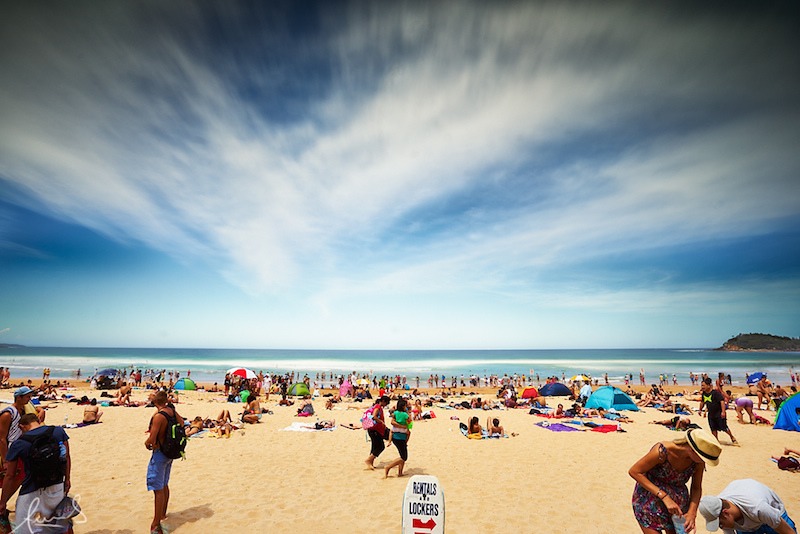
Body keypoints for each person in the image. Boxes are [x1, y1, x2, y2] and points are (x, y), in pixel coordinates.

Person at [629, 428, 722, 533]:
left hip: (677, 508)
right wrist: (664, 496)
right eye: (702, 458)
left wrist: (692, 513)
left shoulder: (698, 462)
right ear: (692, 450)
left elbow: (696, 487)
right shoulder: (662, 452)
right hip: (649, 500)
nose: (703, 461)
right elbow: (635, 471)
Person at [0, 413, 71, 534]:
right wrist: (67, 479)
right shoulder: (58, 431)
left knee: (24, 527)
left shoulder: (19, 443)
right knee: (59, 525)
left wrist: (3, 502)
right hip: (56, 484)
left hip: (31, 489)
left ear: (21, 426)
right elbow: (66, 457)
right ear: (38, 420)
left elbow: (10, 475)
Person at [145, 390, 183, 534]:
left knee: (158, 489)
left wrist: (146, 443)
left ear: (155, 402)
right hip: (170, 453)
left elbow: (152, 438)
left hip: (160, 453)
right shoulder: (171, 411)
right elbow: (181, 423)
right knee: (164, 484)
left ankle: (155, 523)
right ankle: (162, 514)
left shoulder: (159, 416)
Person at [698, 479, 796, 534]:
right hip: (748, 524)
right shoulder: (719, 511)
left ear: (726, 513)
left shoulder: (758, 508)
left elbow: (788, 532)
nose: (721, 527)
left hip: (773, 514)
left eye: (720, 524)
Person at [699, 378, 738, 446]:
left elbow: (722, 402)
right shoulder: (704, 394)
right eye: (701, 385)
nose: (702, 387)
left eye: (703, 385)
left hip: (718, 413)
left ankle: (732, 437)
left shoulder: (715, 393)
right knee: (713, 428)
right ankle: (716, 440)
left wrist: (723, 412)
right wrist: (700, 410)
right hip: (711, 414)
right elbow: (702, 402)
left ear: (709, 385)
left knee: (724, 427)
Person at [384, 398, 411, 478]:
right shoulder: (405, 414)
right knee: (404, 457)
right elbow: (410, 422)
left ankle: (400, 472)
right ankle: (388, 467)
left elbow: (392, 421)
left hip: (395, 437)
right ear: (403, 406)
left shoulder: (395, 413)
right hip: (400, 437)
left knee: (402, 454)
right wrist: (405, 424)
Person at [364, 396, 390, 470]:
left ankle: (370, 463)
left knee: (374, 446)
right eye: (386, 403)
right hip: (375, 430)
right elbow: (374, 416)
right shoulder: (378, 406)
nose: (386, 405)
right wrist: (381, 422)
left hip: (373, 429)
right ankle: (368, 460)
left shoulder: (376, 406)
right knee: (381, 447)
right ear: (383, 401)